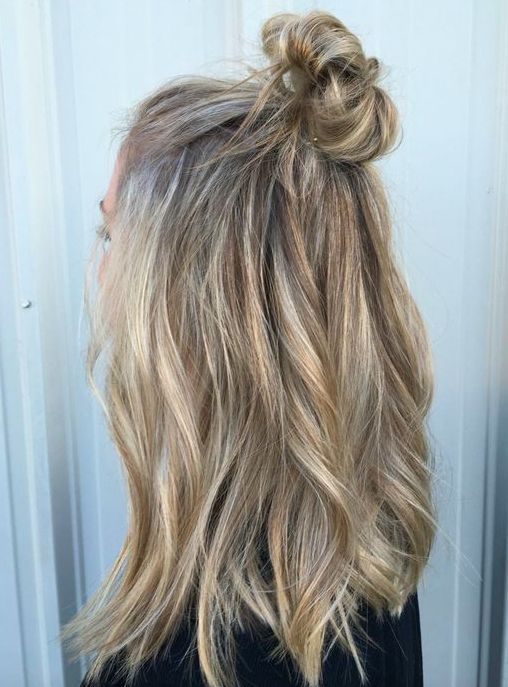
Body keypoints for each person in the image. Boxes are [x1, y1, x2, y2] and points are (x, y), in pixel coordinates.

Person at [60, 9, 437, 687]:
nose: (100, 271)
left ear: (186, 299)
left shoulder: (190, 659)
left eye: (111, 235)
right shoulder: (366, 545)